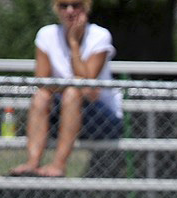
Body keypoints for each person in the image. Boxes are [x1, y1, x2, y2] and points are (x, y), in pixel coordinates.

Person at [9, 0, 122, 178]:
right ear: (56, 9)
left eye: (76, 5)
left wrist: (74, 43)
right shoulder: (46, 34)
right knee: (41, 97)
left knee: (72, 93)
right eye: (64, 6)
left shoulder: (100, 35)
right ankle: (32, 163)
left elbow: (89, 85)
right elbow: (42, 82)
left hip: (102, 117)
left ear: (86, 8)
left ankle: (58, 165)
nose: (70, 11)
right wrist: (74, 85)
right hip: (62, 111)